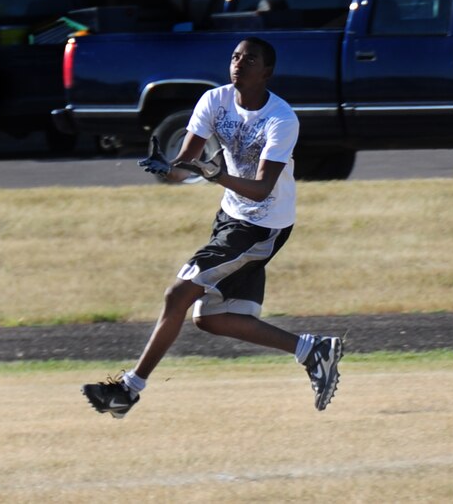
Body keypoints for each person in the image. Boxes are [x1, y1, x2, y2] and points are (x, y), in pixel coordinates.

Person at [81, 37, 343, 418]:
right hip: (229, 219)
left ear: (266, 72)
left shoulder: (281, 119)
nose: (238, 63)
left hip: (262, 226)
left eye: (249, 59)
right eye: (235, 57)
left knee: (177, 294)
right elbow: (184, 165)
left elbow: (261, 189)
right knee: (209, 318)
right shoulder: (214, 101)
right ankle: (311, 350)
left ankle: (129, 390)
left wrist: (215, 174)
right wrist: (167, 169)